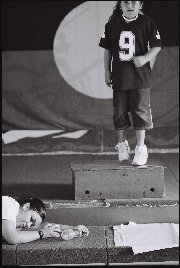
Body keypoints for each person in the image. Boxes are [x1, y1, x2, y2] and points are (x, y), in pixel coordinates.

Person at [99, 1, 162, 165]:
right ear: (120, 5)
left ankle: (140, 148)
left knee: (140, 110)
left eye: (134, 2)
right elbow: (107, 49)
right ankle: (122, 145)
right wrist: (107, 70)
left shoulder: (147, 23)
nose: (130, 5)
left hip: (140, 76)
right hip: (120, 76)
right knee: (119, 111)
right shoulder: (112, 24)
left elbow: (157, 46)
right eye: (126, 2)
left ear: (140, 4)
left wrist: (145, 58)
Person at [2, 194, 88, 244]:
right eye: (32, 219)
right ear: (26, 206)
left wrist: (73, 228)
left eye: (32, 224)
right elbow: (13, 238)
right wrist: (42, 234)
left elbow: (45, 226)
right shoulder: (8, 203)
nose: (28, 224)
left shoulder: (15, 222)